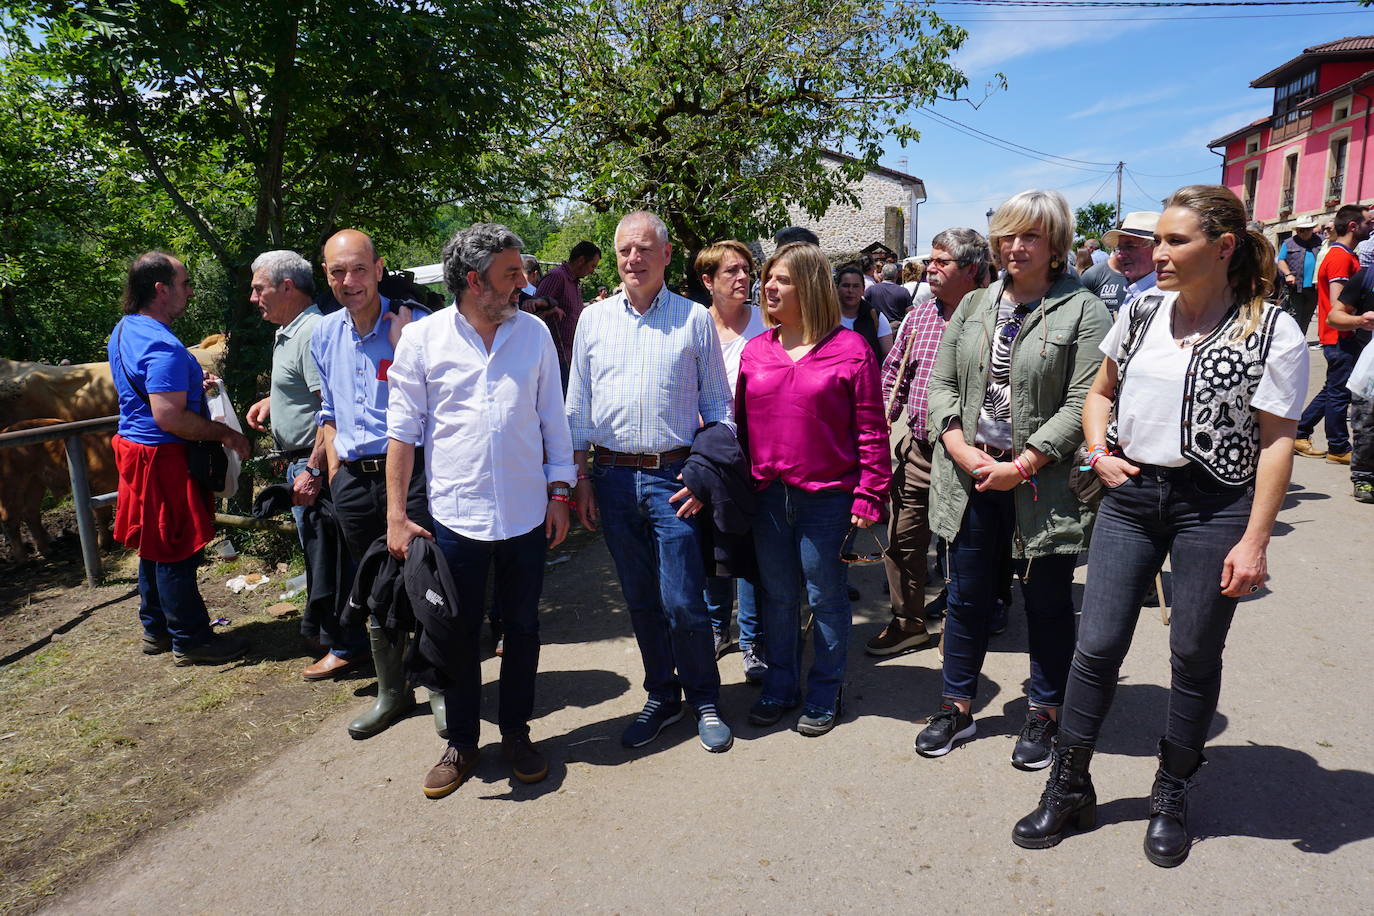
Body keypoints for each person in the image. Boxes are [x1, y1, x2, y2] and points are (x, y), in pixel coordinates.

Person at [1013, 185, 1308, 867]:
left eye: (1176, 241)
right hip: (1132, 496)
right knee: (1098, 644)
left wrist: (1256, 540)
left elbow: (1276, 442)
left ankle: (1172, 789)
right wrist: (1097, 453)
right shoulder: (1142, 311)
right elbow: (1100, 393)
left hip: (1216, 502)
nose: (1158, 254)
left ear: (1223, 247)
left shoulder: (1270, 328)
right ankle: (1069, 784)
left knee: (1194, 654)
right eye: (1160, 242)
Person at [916, 189, 1111, 769]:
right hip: (973, 473)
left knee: (1047, 601)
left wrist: (1023, 464)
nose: (1016, 246)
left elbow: (1082, 402)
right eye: (1007, 234)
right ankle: (956, 705)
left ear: (1056, 246)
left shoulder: (1084, 309)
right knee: (966, 597)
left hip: (1041, 485)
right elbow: (942, 384)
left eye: (1030, 236)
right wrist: (956, 444)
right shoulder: (975, 305)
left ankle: (1045, 711)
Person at [385, 223, 575, 798]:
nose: (524, 282)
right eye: (511, 273)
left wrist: (560, 491)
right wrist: (396, 514)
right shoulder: (423, 341)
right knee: (457, 635)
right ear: (474, 281)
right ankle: (463, 742)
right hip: (455, 516)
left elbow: (553, 419)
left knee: (522, 629)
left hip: (524, 515)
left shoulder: (534, 333)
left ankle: (516, 733)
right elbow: (402, 432)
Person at [566, 210, 735, 753]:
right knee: (640, 600)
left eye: (643, 249)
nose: (632, 259)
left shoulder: (693, 320)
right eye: (623, 251)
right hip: (612, 478)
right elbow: (578, 406)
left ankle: (705, 698)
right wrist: (581, 478)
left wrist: (704, 472)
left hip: (673, 478)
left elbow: (719, 407)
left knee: (684, 600)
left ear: (666, 256)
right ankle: (662, 696)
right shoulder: (593, 321)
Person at [737, 242, 890, 736]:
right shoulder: (757, 350)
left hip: (828, 497)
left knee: (825, 596)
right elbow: (740, 428)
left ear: (809, 286)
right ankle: (781, 685)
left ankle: (826, 689)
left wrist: (870, 494)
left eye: (781, 279)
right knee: (778, 597)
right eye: (768, 279)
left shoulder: (851, 350)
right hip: (768, 497)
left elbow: (871, 429)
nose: (768, 287)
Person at [311, 229, 433, 739]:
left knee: (429, 583)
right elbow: (329, 411)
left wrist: (406, 348)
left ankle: (442, 687)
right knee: (377, 588)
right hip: (356, 484)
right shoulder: (322, 335)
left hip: (416, 474)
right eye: (338, 271)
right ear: (327, 276)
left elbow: (448, 400)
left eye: (359, 269)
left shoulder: (417, 324)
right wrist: (331, 472)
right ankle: (393, 693)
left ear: (379, 269)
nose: (349, 281)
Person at [108, 252, 250, 665]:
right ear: (160, 289)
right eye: (185, 284)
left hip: (139, 450)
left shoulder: (126, 330)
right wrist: (225, 433)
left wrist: (192, 380)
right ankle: (190, 640)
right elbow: (168, 415)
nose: (190, 291)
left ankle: (155, 629)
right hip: (163, 456)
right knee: (175, 546)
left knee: (153, 542)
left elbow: (152, 386)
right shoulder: (161, 343)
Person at [867, 228, 990, 657]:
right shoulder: (920, 316)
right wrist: (877, 425)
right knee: (902, 539)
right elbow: (893, 376)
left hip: (974, 456)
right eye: (931, 261)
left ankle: (959, 628)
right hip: (919, 451)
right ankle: (908, 622)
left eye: (942, 262)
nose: (930, 268)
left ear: (971, 269)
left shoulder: (994, 317)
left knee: (963, 549)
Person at [242, 250, 358, 677]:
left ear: (286, 287)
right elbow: (308, 392)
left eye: (259, 288)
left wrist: (310, 469)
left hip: (317, 468)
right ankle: (333, 637)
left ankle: (342, 644)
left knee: (327, 556)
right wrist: (276, 401)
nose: (254, 298)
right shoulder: (292, 331)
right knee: (319, 554)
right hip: (304, 465)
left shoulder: (310, 333)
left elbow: (331, 408)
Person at [696, 240, 768, 681]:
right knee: (714, 546)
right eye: (731, 272)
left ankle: (752, 641)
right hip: (708, 454)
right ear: (708, 281)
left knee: (753, 549)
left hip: (758, 453)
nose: (743, 278)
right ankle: (715, 626)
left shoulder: (766, 322)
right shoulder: (693, 325)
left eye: (746, 270)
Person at [1293, 204, 1371, 464]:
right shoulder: (1340, 257)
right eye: (1368, 222)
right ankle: (1338, 446)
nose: (1371, 227)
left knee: (1333, 389)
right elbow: (1339, 302)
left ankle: (1300, 431)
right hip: (1341, 335)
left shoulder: (1344, 254)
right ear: (1352, 226)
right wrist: (1358, 321)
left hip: (1340, 335)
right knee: (1340, 392)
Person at [1332, 254, 1374, 502]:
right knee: (1368, 428)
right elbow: (1334, 316)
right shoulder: (1367, 276)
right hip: (1369, 371)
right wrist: (1359, 320)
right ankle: (1364, 478)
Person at [534, 241, 602, 381]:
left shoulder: (574, 283)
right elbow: (533, 316)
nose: (592, 271)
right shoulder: (557, 277)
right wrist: (549, 310)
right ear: (581, 260)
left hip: (568, 357)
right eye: (592, 266)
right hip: (552, 359)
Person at [1083, 212, 1160, 316]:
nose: (1119, 256)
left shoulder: (1166, 299)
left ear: (1156, 248)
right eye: (1119, 248)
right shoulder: (1133, 291)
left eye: (1130, 247)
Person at [836, 265, 893, 360]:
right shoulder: (827, 318)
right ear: (837, 289)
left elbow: (887, 354)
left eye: (855, 286)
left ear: (863, 290)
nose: (850, 290)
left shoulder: (876, 317)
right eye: (846, 285)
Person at [1275, 219, 1320, 336]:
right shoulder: (1288, 242)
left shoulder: (1320, 241)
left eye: (1307, 230)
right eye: (1301, 230)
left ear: (1312, 229)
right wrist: (1288, 274)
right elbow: (1281, 261)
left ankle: (1300, 339)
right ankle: (1291, 340)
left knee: (1307, 317)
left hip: (1314, 288)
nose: (1303, 232)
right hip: (1295, 287)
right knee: (1294, 316)